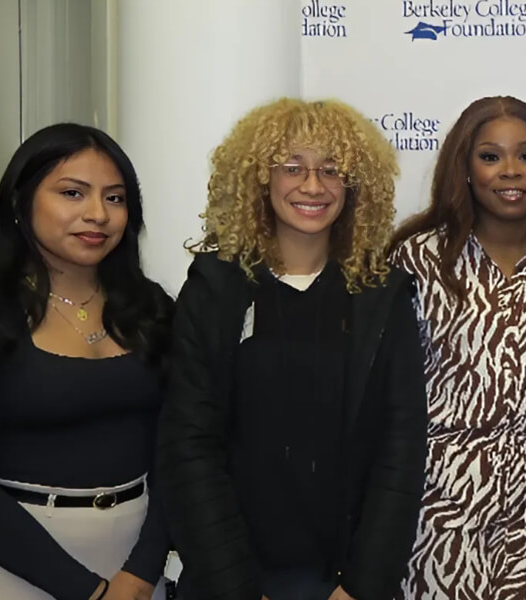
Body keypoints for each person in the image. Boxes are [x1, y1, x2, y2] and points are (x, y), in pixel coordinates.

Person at [155, 98, 428, 600]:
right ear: (260, 179)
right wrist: (233, 586)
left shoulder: (379, 295)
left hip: (340, 582)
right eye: (292, 168)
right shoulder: (215, 288)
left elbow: (401, 449)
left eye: (331, 169)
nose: (312, 186)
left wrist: (363, 586)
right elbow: (189, 445)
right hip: (231, 577)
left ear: (354, 185)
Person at [0, 123, 173, 600]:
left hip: (134, 568)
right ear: (21, 203)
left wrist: (141, 571)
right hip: (9, 566)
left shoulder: (153, 309)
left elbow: (178, 453)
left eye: (115, 198)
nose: (97, 214)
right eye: (73, 193)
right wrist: (90, 592)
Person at [390, 96, 526, 600]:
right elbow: (384, 399)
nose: (511, 171)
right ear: (463, 167)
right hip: (436, 516)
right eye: (490, 156)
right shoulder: (416, 262)